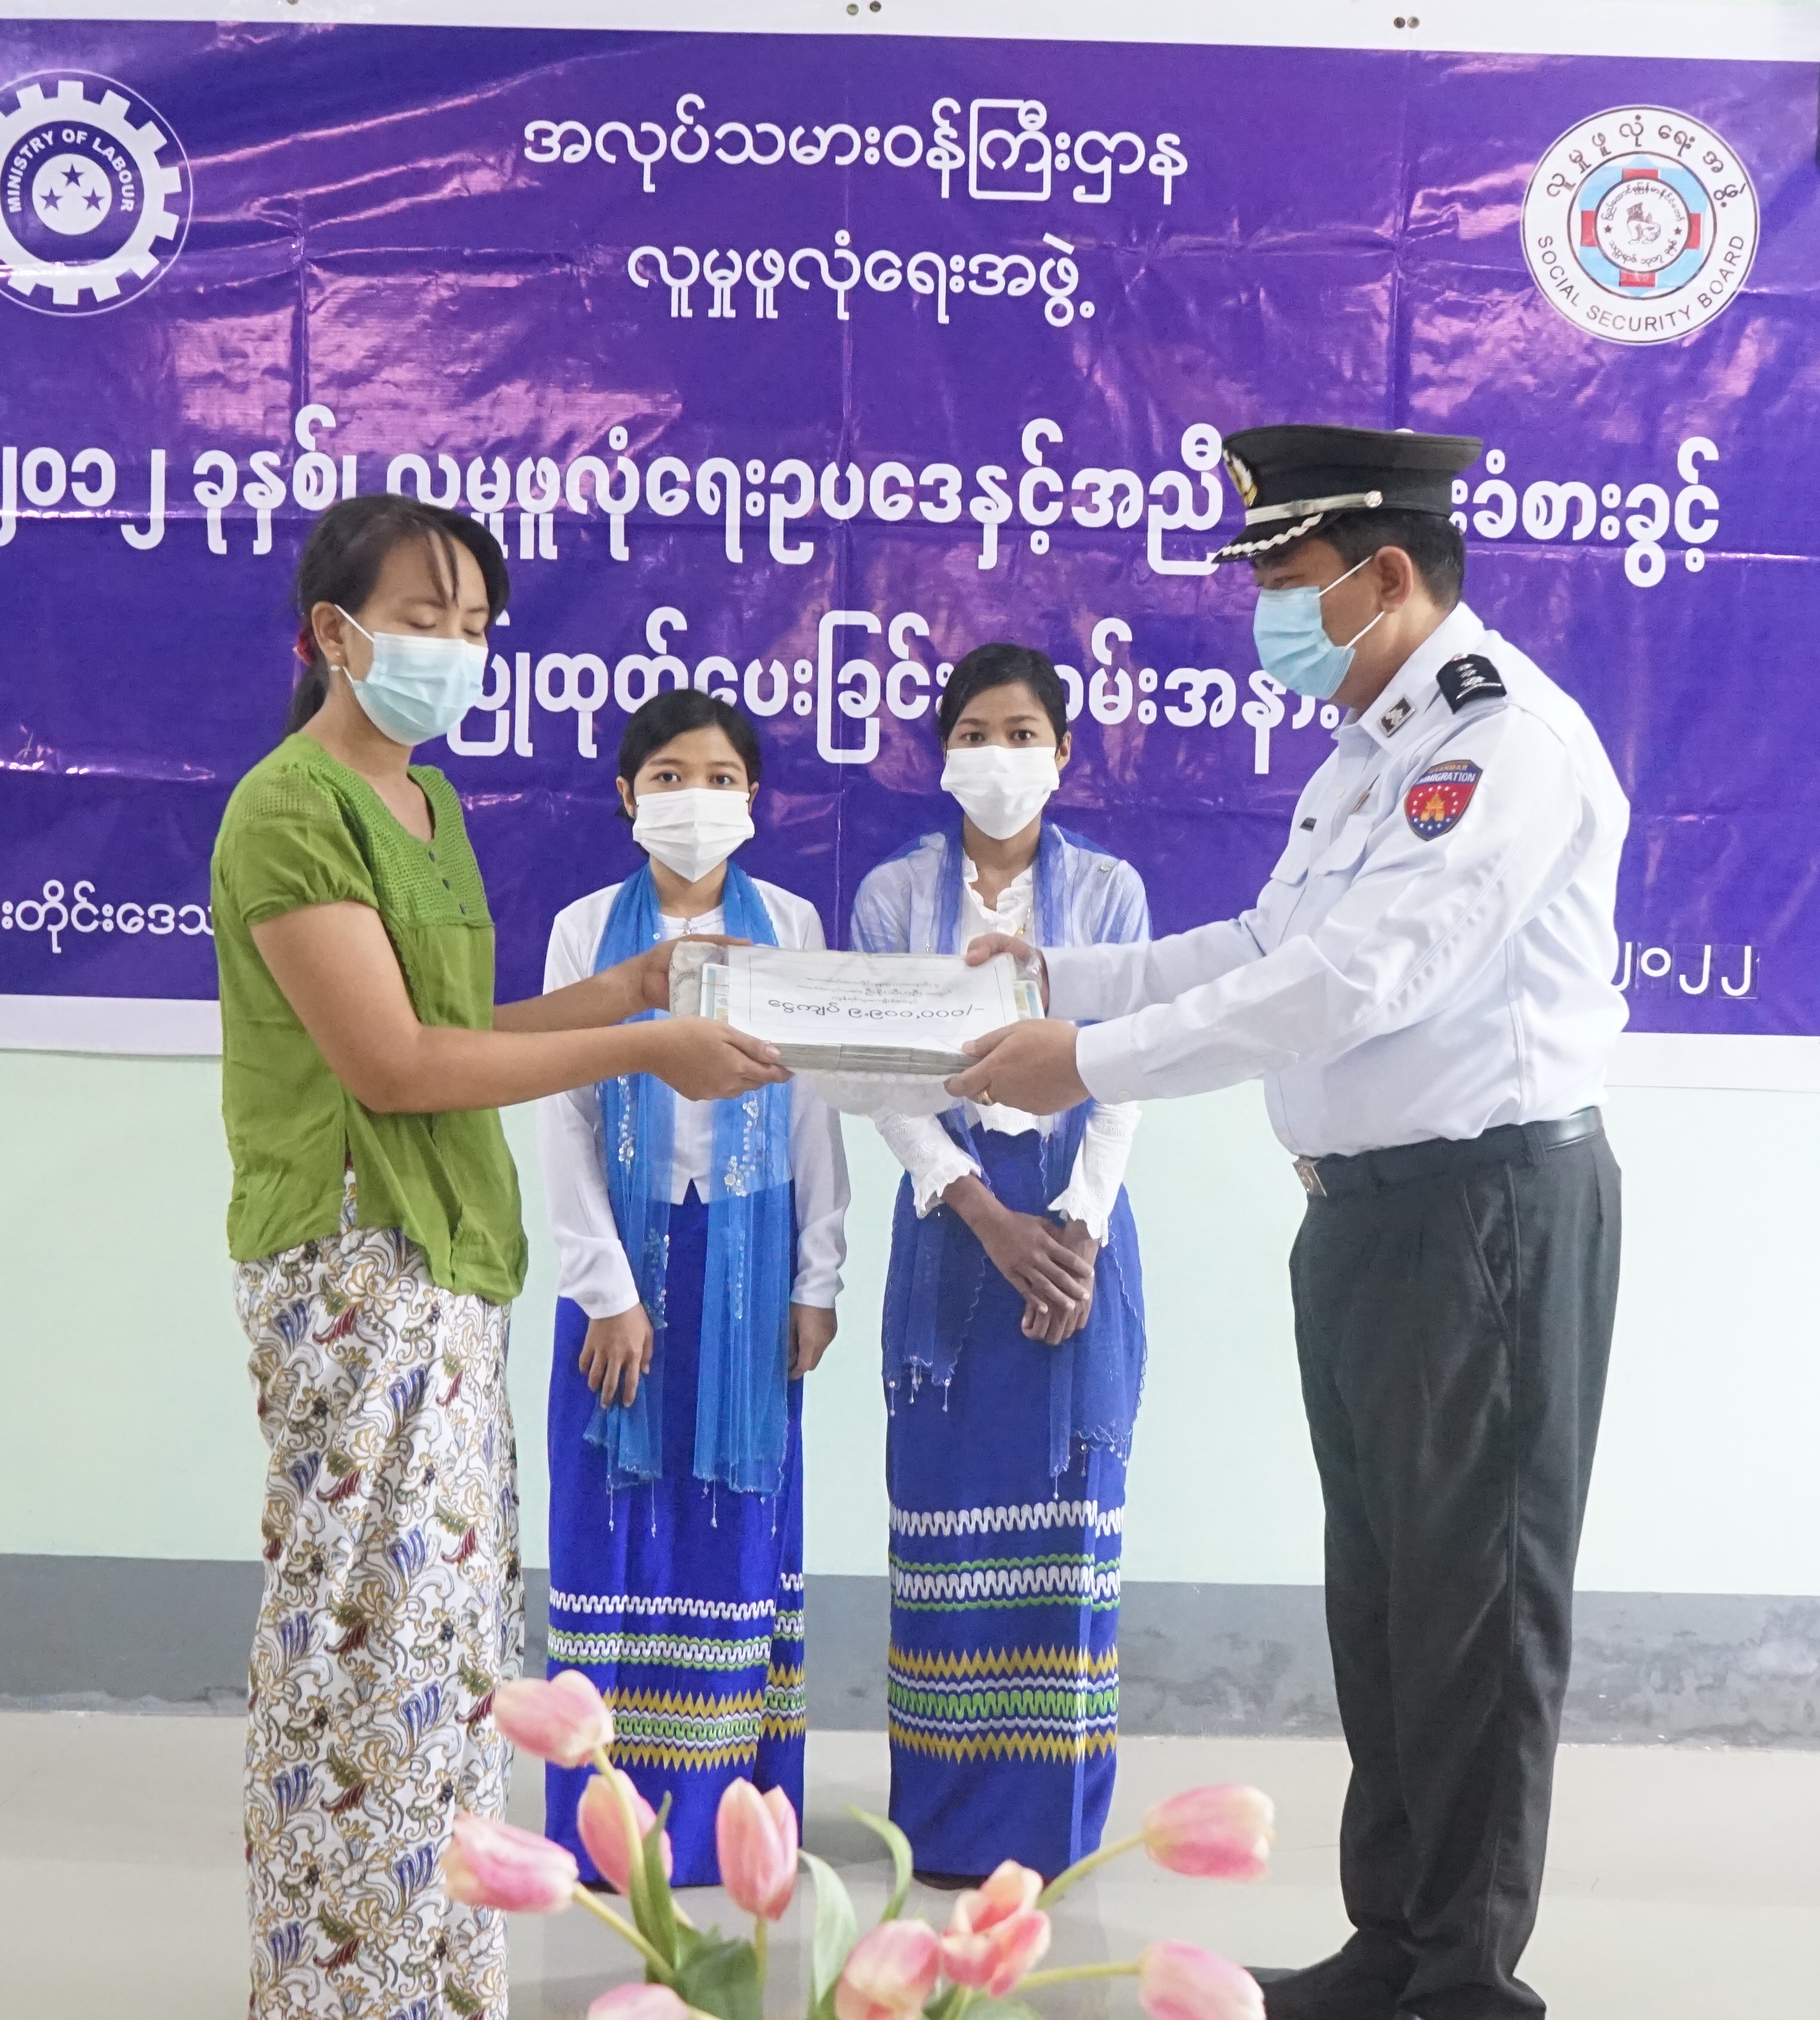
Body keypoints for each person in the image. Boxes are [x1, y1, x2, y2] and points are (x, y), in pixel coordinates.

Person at [944, 427, 1630, 2020]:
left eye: (1283, 573)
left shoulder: (1500, 741)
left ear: (1385, 574)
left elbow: (1357, 981)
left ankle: (1466, 1985)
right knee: (1386, 1606)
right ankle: (1393, 1943)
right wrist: (1055, 979)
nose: (1262, 606)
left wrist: (1087, 1060)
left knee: (1476, 1609)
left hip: (1486, 1218)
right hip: (1373, 1226)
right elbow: (1263, 943)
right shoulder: (1365, 752)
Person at [212, 492, 785, 2020]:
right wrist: (647, 1044)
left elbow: (462, 1034)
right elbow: (393, 1066)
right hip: (357, 1264)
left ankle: (441, 1975)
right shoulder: (290, 809)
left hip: (453, 1266)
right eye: (425, 620)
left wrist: (627, 990)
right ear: (335, 633)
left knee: (454, 1657)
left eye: (475, 627)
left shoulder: (427, 804)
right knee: (364, 1650)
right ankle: (342, 1988)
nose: (456, 651)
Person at [848, 641, 1152, 1887]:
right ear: (943, 754)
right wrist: (985, 1215)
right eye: (975, 733)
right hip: (952, 1225)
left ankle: (1051, 1830)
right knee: (947, 1519)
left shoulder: (1114, 892)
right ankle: (949, 1824)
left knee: (1066, 1521)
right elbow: (881, 1077)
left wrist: (1075, 1224)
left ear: (1063, 752)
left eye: (1023, 733)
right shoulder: (891, 897)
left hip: (1081, 1225)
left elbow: (1130, 1063)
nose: (999, 755)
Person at [536, 688, 850, 1886]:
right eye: (668, 776)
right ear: (627, 795)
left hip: (750, 1269)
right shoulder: (586, 932)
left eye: (719, 776)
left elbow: (816, 1105)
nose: (694, 798)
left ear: (754, 797)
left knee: (736, 1526)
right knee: (612, 1528)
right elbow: (562, 1112)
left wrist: (816, 1274)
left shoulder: (793, 925)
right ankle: (607, 1825)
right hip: (622, 1267)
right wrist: (605, 1287)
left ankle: (732, 1822)